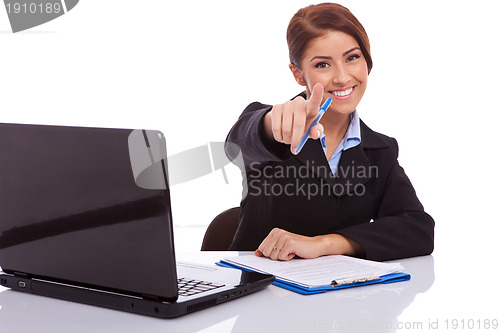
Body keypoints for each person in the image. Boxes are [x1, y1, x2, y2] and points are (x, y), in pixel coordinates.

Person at [225, 3, 434, 261]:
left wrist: (325, 244)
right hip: (257, 291)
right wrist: (271, 123)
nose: (343, 77)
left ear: (367, 60)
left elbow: (417, 228)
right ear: (298, 74)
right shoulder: (274, 128)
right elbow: (238, 143)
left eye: (352, 58)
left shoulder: (381, 151)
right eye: (323, 65)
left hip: (337, 296)